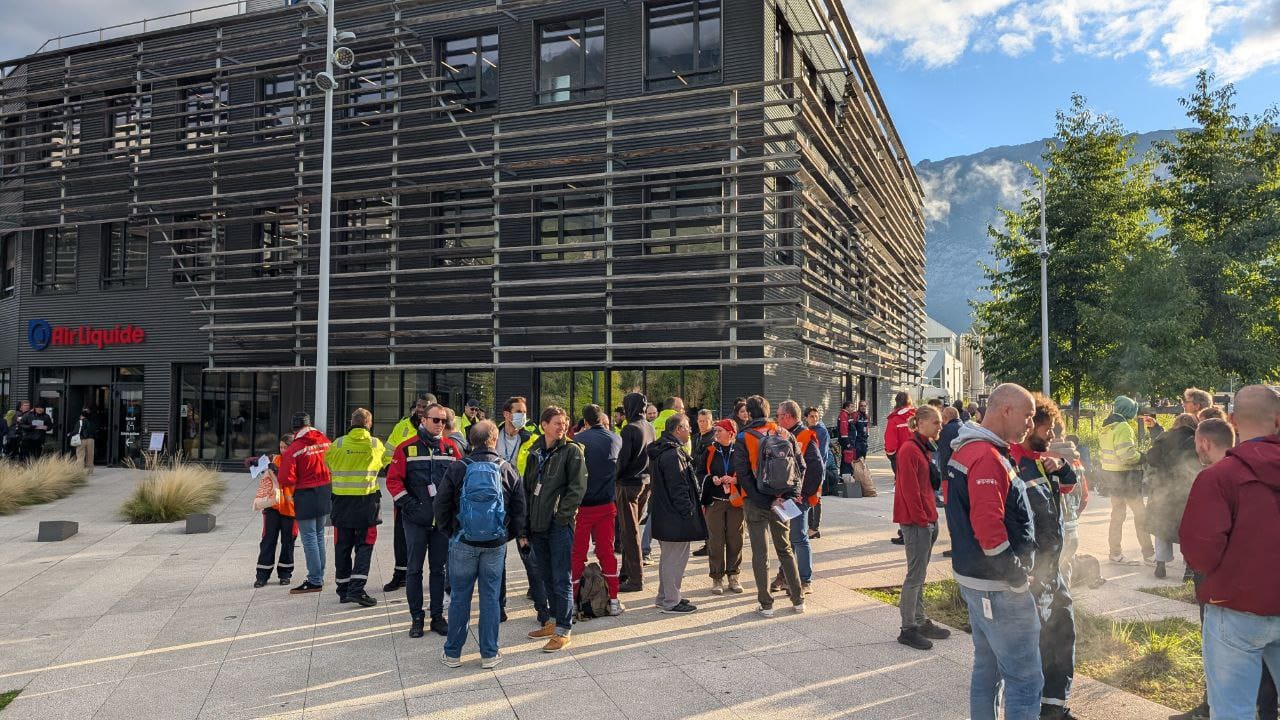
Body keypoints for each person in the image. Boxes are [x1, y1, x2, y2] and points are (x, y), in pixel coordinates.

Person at [1182, 386, 1280, 720]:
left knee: (1232, 712)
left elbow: (1200, 553)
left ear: (1234, 421)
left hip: (1234, 611)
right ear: (1279, 420)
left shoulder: (1218, 476)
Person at [945, 383, 1042, 720]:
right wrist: (1016, 578)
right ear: (1006, 410)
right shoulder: (986, 457)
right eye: (1028, 416)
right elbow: (989, 531)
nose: (1030, 424)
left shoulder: (969, 450)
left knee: (987, 671)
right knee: (1026, 680)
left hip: (975, 580)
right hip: (999, 588)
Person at [435, 420, 526, 670]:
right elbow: (520, 510)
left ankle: (452, 653)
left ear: (470, 442)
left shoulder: (457, 468)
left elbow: (441, 505)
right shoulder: (507, 468)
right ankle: (489, 653)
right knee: (490, 597)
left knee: (460, 597)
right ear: (494, 440)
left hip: (463, 540)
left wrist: (451, 533)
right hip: (495, 543)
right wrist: (506, 535)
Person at [1009, 395, 1078, 719]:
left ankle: (1054, 707)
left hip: (1052, 569)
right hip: (1029, 574)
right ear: (1030, 425)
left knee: (1063, 633)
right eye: (1048, 429)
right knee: (1034, 645)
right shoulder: (1011, 462)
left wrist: (1062, 467)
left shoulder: (1042, 459)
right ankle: (1029, 707)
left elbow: (1069, 487)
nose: (1052, 436)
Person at [386, 402, 464, 638]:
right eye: (436, 420)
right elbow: (393, 482)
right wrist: (410, 505)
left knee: (439, 570)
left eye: (444, 421)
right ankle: (416, 618)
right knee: (414, 570)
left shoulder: (451, 449)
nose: (441, 425)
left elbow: (461, 482)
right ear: (424, 420)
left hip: (441, 522)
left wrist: (454, 510)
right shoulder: (405, 448)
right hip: (415, 520)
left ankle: (437, 617)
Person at [733, 395, 805, 616]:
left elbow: (743, 475)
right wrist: (789, 495)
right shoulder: (785, 433)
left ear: (749, 413)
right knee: (785, 549)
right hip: (782, 500)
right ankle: (798, 600)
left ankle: (766, 604)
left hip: (756, 501)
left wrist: (762, 500)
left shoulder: (744, 437)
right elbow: (800, 467)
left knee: (760, 553)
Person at [523, 406, 587, 652]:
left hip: (558, 525)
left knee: (561, 577)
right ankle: (552, 620)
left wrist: (561, 517)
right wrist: (527, 522)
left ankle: (563, 629)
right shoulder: (535, 452)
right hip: (537, 525)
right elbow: (529, 488)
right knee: (546, 575)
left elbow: (577, 488)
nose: (562, 427)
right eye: (557, 423)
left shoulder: (572, 451)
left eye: (564, 422)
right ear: (544, 425)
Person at [893, 404, 950, 651]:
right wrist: (923, 520)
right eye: (936, 422)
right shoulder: (909, 450)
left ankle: (919, 619)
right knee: (914, 575)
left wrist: (930, 518)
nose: (940, 426)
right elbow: (909, 491)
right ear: (922, 423)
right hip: (917, 521)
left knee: (919, 574)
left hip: (926, 518)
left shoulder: (922, 447)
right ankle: (908, 628)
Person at [325, 408, 388, 608]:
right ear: (369, 424)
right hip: (366, 503)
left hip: (341, 503)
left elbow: (328, 463)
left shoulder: (338, 444)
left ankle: (343, 590)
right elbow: (385, 463)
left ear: (351, 422)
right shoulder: (375, 444)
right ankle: (356, 589)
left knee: (342, 546)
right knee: (364, 546)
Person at [649, 413, 707, 613]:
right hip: (675, 516)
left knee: (668, 558)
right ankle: (671, 601)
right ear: (678, 429)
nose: (690, 430)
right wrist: (688, 512)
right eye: (687, 426)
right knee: (675, 559)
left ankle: (665, 596)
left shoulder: (663, 450)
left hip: (665, 514)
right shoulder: (673, 454)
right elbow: (679, 487)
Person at [571, 404, 624, 616]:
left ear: (584, 422)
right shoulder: (615, 439)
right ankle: (613, 601)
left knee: (577, 554)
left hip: (582, 507)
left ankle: (573, 603)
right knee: (606, 552)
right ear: (603, 419)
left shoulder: (577, 442)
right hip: (606, 505)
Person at [383, 392, 435, 593]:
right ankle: (400, 574)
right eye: (419, 405)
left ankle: (438, 575)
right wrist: (392, 470)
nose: (421, 409)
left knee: (434, 538)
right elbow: (388, 453)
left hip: (430, 493)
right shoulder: (402, 426)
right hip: (405, 491)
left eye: (426, 406)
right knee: (401, 535)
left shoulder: (437, 425)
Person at [769, 400, 823, 595]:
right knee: (789, 538)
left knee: (799, 538)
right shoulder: (787, 436)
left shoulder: (806, 436)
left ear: (788, 417)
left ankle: (805, 580)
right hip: (787, 496)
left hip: (799, 497)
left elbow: (817, 469)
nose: (777, 420)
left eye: (779, 416)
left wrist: (803, 494)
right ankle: (784, 576)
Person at [278, 412, 333, 595]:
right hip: (325, 490)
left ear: (295, 429)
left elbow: (285, 477)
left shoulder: (295, 447)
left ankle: (315, 580)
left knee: (309, 537)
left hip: (306, 494)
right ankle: (320, 575)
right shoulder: (325, 440)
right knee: (318, 536)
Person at [1099, 395, 1155, 565]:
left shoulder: (1107, 426)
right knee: (1141, 515)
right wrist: (1143, 457)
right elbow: (1127, 455)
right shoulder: (1123, 427)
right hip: (1127, 478)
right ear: (1129, 410)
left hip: (1112, 477)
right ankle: (1149, 554)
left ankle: (1115, 553)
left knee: (1117, 516)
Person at [1145, 413, 1200, 579]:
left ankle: (1160, 565)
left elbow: (1151, 458)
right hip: (1186, 490)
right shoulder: (1196, 440)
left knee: (1162, 527)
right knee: (1187, 530)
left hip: (1162, 489)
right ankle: (1189, 569)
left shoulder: (1164, 438)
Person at [496, 395, 537, 612]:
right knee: (498, 554)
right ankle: (499, 604)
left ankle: (537, 594)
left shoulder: (531, 437)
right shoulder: (492, 435)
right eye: (519, 411)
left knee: (528, 549)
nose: (523, 416)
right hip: (499, 502)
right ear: (506, 414)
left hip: (523, 501)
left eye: (524, 411)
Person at [615, 392, 655, 593]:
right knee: (633, 530)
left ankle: (636, 578)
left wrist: (614, 477)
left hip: (628, 484)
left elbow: (623, 460)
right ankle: (626, 572)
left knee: (629, 533)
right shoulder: (649, 426)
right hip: (645, 482)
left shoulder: (629, 429)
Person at [702, 418, 745, 595]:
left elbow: (748, 472)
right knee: (716, 540)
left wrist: (736, 480)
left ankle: (733, 576)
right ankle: (717, 578)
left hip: (736, 502)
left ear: (730, 432)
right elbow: (700, 473)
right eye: (716, 430)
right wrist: (711, 478)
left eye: (720, 430)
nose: (716, 433)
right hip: (715, 501)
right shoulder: (710, 450)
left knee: (736, 539)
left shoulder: (741, 451)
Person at [254, 434, 296, 588]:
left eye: (286, 447)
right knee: (268, 540)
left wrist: (277, 472)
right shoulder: (274, 459)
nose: (283, 450)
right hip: (273, 506)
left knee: (288, 542)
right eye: (281, 447)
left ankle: (285, 574)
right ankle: (262, 575)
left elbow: (293, 480)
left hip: (291, 509)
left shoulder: (297, 461)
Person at [804, 406, 835, 538]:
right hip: (808, 469)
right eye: (812, 416)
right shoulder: (807, 430)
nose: (815, 418)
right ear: (806, 418)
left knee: (816, 498)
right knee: (810, 497)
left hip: (817, 469)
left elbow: (820, 454)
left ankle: (814, 528)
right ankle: (811, 526)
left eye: (816, 416)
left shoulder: (821, 431)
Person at [884, 392, 915, 473]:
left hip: (901, 457)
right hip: (917, 456)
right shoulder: (917, 416)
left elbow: (890, 441)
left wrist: (891, 455)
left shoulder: (894, 420)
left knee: (902, 482)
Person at [71, 408, 96, 473]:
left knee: (80, 455)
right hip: (91, 440)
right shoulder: (92, 421)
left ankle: (79, 470)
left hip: (81, 440)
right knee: (90, 455)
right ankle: (89, 470)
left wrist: (70, 434)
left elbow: (76, 431)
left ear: (82, 415)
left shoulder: (80, 422)